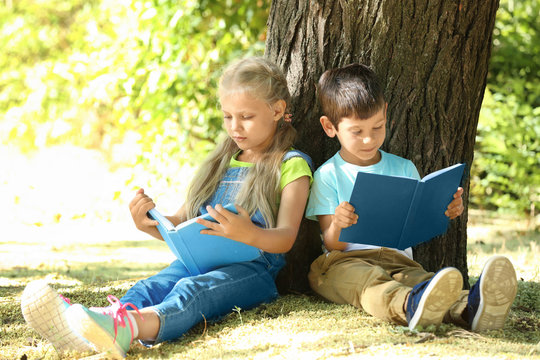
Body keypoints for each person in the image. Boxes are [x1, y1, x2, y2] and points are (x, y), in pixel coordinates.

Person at [21, 56, 313, 358]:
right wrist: (151, 223)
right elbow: (182, 223)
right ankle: (93, 325)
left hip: (252, 270)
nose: (234, 127)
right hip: (197, 261)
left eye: (246, 117)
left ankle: (126, 328)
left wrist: (248, 233)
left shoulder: (291, 165)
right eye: (227, 117)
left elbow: (286, 237)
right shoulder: (220, 163)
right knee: (152, 286)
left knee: (192, 292)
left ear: (277, 110)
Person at [306, 63, 517, 331]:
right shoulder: (328, 174)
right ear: (329, 126)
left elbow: (417, 219)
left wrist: (447, 208)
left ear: (385, 113)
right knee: (369, 282)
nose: (369, 140)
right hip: (344, 263)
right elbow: (332, 244)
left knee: (425, 280)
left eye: (377, 127)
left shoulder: (403, 167)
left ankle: (469, 308)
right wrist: (338, 222)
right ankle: (409, 305)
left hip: (399, 260)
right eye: (357, 132)